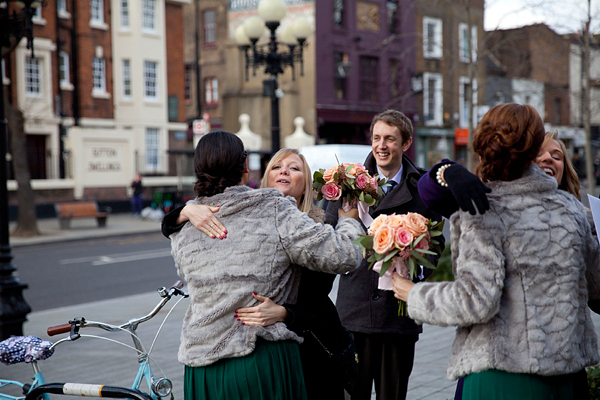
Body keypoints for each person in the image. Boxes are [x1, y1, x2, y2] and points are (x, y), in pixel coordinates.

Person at [392, 103, 600, 400]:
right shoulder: (573, 210)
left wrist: (413, 295)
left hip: (502, 376)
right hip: (568, 380)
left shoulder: (482, 209)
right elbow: (596, 288)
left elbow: (475, 301)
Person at [168, 131, 364, 400]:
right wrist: (350, 220)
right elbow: (346, 255)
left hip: (200, 366)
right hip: (258, 357)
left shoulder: (185, 224)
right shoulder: (274, 209)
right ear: (247, 166)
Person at [325, 109, 445, 400]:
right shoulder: (348, 184)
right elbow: (328, 241)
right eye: (376, 138)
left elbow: (436, 248)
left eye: (390, 139)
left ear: (405, 144)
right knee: (353, 394)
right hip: (354, 312)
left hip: (398, 315)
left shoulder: (424, 188)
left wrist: (411, 265)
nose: (381, 145)